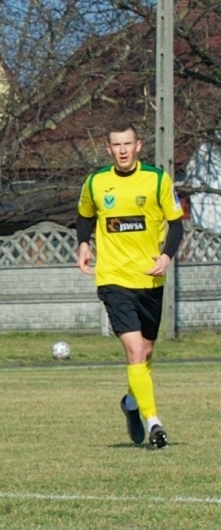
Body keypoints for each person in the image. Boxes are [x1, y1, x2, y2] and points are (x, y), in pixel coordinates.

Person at [75, 122, 184, 449]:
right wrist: (83, 244)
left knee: (146, 353)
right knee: (135, 350)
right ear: (108, 149)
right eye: (116, 145)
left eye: (128, 144)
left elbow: (176, 225)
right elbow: (84, 216)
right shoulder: (96, 183)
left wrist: (166, 257)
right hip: (113, 279)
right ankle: (155, 424)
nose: (122, 150)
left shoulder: (157, 180)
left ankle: (132, 405)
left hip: (150, 279)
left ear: (138, 146)